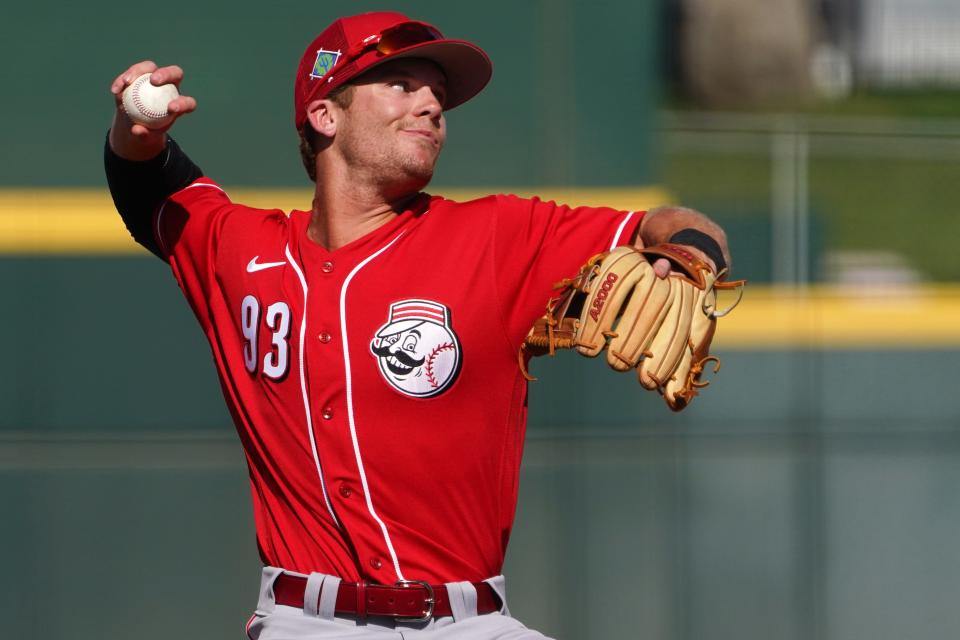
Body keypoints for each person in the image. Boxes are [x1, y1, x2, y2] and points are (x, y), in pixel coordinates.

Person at [104, 11, 732, 639]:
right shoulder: (239, 249)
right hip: (308, 621)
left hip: (472, 621)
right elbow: (151, 189)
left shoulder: (496, 237)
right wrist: (134, 134)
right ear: (325, 114)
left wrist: (689, 258)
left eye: (439, 94)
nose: (432, 104)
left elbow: (669, 224)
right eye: (401, 84)